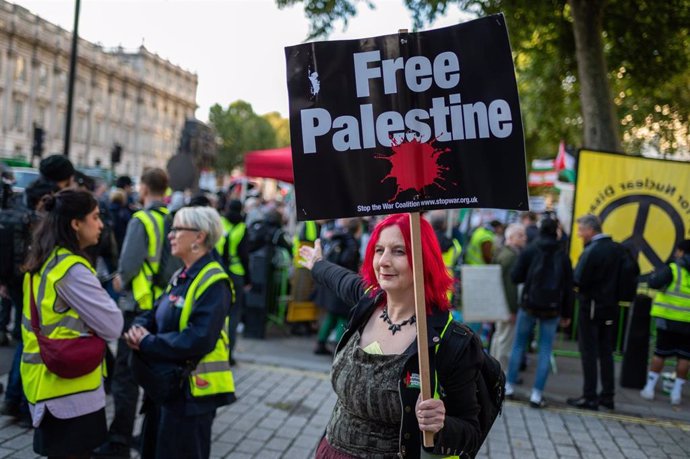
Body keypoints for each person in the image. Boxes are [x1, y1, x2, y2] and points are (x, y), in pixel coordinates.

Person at [300, 213, 483, 458]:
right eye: (378, 250)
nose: (383, 261)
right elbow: (340, 279)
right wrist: (317, 263)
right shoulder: (369, 301)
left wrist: (441, 425)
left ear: (423, 259)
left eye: (399, 251)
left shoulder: (452, 340)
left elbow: (471, 432)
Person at [124, 206, 235, 459]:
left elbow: (199, 338)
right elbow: (154, 312)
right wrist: (138, 328)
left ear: (199, 236)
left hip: (192, 395)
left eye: (177, 228)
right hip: (167, 387)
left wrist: (148, 342)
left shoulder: (215, 282)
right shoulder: (181, 274)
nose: (171, 234)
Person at [20, 189, 123, 457]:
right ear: (76, 224)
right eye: (95, 217)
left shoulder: (44, 260)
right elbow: (113, 325)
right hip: (70, 391)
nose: (101, 224)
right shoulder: (72, 270)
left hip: (45, 383)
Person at [96, 168, 170, 457]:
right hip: (162, 307)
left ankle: (119, 441)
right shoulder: (172, 218)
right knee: (154, 374)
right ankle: (148, 436)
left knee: (126, 376)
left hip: (138, 307)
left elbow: (128, 265)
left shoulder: (142, 219)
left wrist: (119, 279)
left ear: (143, 188)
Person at [505, 219, 573, 408]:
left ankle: (508, 386)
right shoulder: (562, 254)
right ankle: (536, 394)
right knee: (545, 350)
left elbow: (515, 276)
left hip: (529, 305)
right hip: (552, 309)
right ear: (556, 232)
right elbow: (568, 287)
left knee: (518, 345)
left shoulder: (530, 250)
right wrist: (567, 313)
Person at [567, 214, 621, 411]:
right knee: (606, 352)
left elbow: (578, 279)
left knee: (589, 352)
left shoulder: (593, 250)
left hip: (590, 307)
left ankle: (589, 397)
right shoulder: (617, 248)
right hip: (611, 308)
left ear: (591, 230)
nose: (580, 235)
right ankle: (608, 397)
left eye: (581, 230)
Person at [640, 239, 690, 405]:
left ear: (681, 252)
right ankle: (676, 393)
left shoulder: (673, 269)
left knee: (660, 353)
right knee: (684, 357)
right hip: (688, 322)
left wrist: (655, 274)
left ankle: (649, 388)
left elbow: (653, 283)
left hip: (667, 319)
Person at [313, 218, 361, 355]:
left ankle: (320, 343)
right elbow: (347, 260)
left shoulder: (337, 238)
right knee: (342, 315)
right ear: (357, 230)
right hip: (343, 283)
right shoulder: (351, 243)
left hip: (332, 283)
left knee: (332, 315)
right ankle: (338, 347)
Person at [215, 199, 249, 365]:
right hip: (236, 274)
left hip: (219, 272)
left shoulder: (219, 223)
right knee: (234, 315)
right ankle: (229, 354)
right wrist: (248, 279)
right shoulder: (242, 227)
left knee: (218, 312)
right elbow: (245, 256)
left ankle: (216, 351)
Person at [489, 223, 526, 371]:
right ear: (510, 238)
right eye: (520, 236)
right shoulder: (511, 256)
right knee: (505, 340)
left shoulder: (503, 252)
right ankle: (500, 373)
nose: (524, 238)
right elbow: (510, 287)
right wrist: (512, 309)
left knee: (499, 337)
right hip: (506, 305)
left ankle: (493, 369)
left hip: (500, 303)